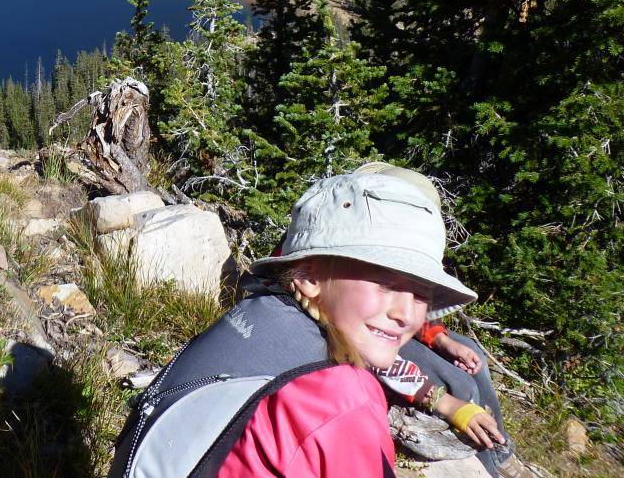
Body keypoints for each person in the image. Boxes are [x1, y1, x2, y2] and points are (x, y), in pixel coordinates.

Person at [108, 171, 478, 478]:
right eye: (387, 283)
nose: (407, 314)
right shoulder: (344, 398)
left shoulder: (257, 314)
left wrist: (440, 400)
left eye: (421, 294)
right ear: (309, 278)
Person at [353, 162, 524, 477]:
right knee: (458, 383)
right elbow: (358, 339)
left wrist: (442, 341)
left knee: (470, 349)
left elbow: (406, 307)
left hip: (383, 332)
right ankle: (489, 465)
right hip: (372, 344)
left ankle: (499, 448)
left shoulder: (382, 236)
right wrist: (444, 402)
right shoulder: (349, 250)